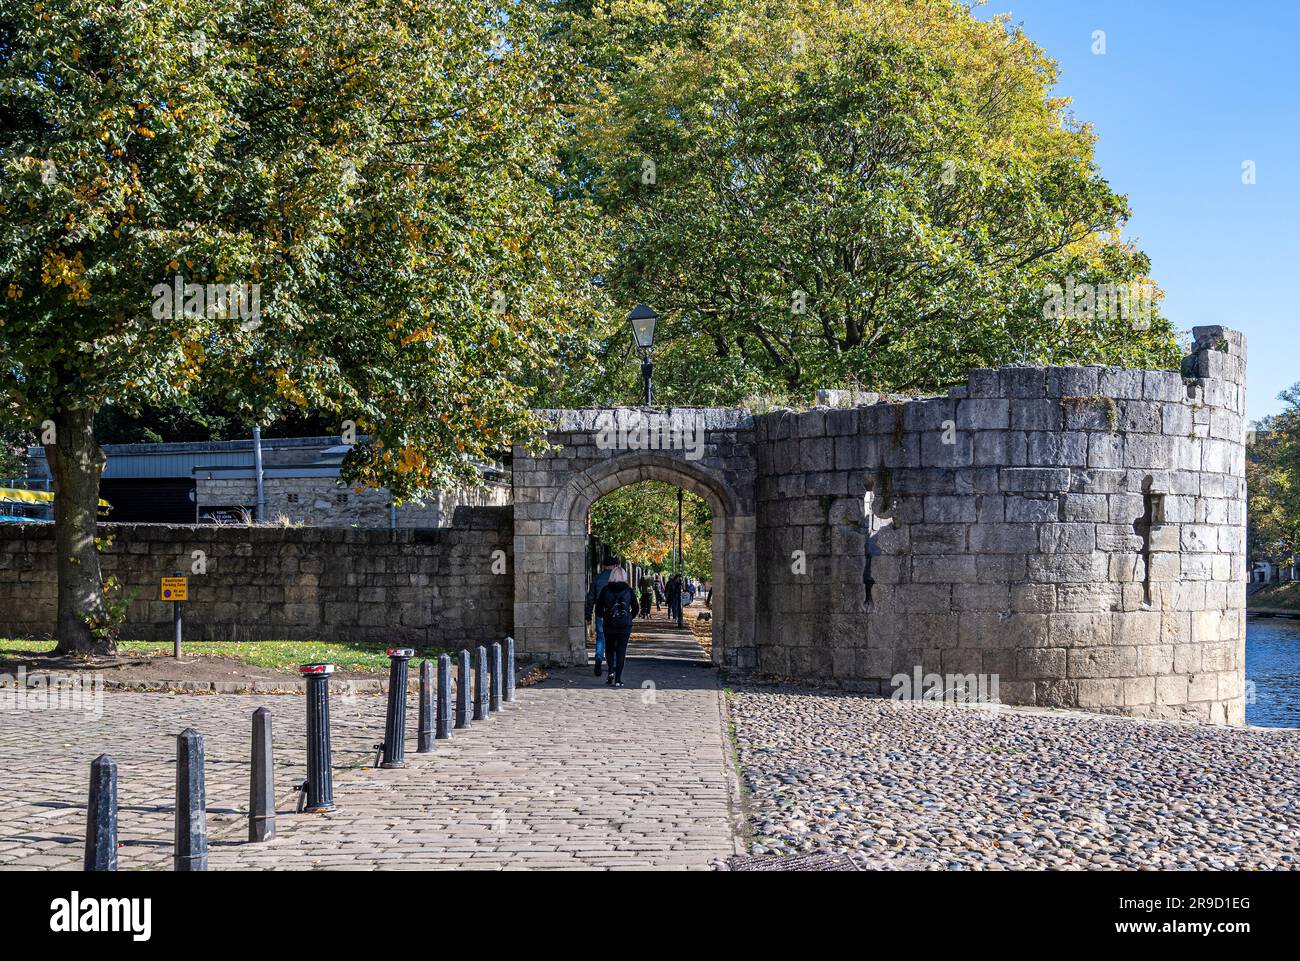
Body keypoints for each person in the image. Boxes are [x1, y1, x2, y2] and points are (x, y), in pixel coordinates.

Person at [595, 566, 637, 687]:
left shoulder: (605, 590)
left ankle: (611, 672)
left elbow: (598, 609)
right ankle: (618, 678)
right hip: (625, 625)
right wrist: (628, 617)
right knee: (621, 651)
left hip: (609, 624)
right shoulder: (629, 590)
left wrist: (606, 616)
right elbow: (636, 608)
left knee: (609, 648)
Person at [584, 555, 618, 676]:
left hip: (600, 612)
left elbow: (590, 598)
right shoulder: (617, 579)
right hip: (614, 613)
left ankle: (599, 657)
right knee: (614, 639)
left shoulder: (597, 578)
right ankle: (613, 665)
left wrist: (588, 615)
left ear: (603, 566)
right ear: (614, 566)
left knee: (600, 637)